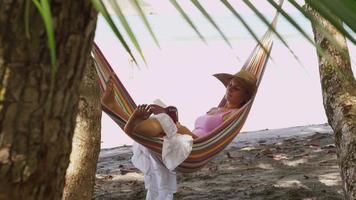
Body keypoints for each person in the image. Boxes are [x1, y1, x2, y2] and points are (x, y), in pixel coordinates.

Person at [101, 70, 257, 139]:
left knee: (160, 123)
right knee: (160, 119)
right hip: (185, 135)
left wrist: (179, 127)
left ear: (244, 96)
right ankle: (119, 109)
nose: (230, 89)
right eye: (229, 85)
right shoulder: (216, 108)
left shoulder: (235, 114)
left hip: (196, 143)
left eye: (236, 88)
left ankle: (114, 106)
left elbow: (211, 137)